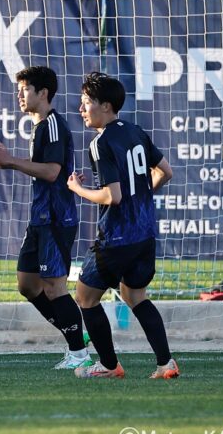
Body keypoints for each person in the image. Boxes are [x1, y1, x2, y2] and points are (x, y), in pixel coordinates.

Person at [0, 66, 91, 370]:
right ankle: (76, 334)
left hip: (55, 218)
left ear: (43, 93)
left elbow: (52, 171)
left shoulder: (52, 124)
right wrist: (11, 162)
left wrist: (10, 161)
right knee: (28, 284)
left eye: (25, 89)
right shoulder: (41, 126)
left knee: (54, 287)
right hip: (40, 217)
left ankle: (78, 353)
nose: (19, 95)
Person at [67, 72, 176, 379]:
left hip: (116, 237)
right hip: (145, 233)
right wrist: (139, 195)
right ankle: (166, 364)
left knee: (85, 298)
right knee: (135, 296)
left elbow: (111, 196)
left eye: (86, 102)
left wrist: (77, 189)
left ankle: (108, 365)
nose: (81, 108)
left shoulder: (101, 142)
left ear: (106, 106)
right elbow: (166, 172)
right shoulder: (135, 131)